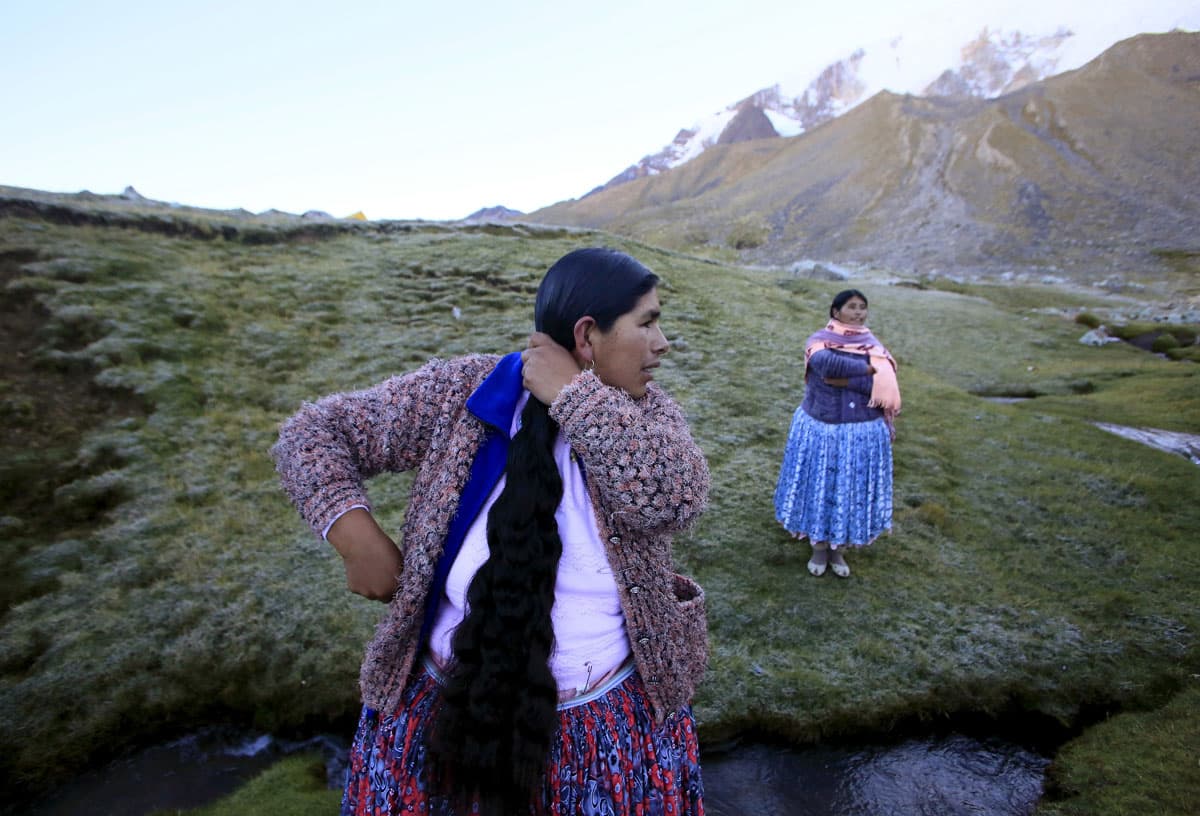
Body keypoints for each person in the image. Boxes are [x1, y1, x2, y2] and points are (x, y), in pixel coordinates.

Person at [272, 247, 710, 815]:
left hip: (607, 731)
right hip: (448, 711)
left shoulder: (650, 417)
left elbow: (673, 499)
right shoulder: (466, 392)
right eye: (648, 322)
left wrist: (572, 397)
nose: (662, 342)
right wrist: (355, 536)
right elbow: (314, 432)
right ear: (587, 335)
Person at [773, 289, 900, 578]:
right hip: (823, 429)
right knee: (821, 485)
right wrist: (869, 369)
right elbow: (824, 365)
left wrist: (846, 381)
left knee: (847, 490)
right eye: (851, 307)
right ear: (835, 312)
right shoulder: (820, 342)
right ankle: (819, 547)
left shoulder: (873, 346)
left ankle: (838, 550)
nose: (858, 313)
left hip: (861, 431)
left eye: (862, 307)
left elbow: (883, 388)